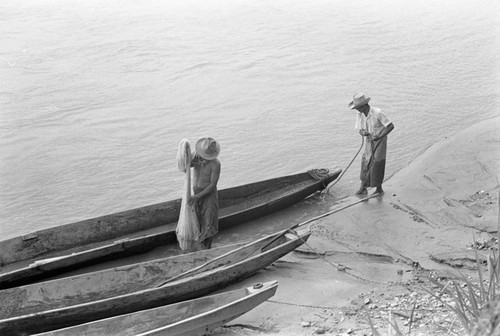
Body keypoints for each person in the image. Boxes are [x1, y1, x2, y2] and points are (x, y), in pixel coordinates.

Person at [349, 93, 394, 195]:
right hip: (369, 140)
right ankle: (363, 187)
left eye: (358, 107)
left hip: (380, 140)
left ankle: (379, 189)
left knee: (377, 163)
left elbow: (390, 126)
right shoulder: (360, 115)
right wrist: (363, 132)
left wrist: (379, 136)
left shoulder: (377, 112)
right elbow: (360, 129)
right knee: (365, 162)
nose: (357, 110)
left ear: (364, 105)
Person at [188, 137, 221, 249]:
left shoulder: (216, 164)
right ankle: (199, 246)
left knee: (208, 222)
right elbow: (185, 166)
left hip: (208, 195)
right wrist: (192, 159)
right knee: (197, 222)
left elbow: (212, 185)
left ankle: (207, 249)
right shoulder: (195, 156)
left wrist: (196, 197)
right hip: (196, 193)